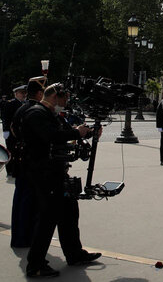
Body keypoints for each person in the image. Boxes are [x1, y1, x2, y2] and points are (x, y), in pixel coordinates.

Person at [21, 83, 101, 277]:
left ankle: (74, 253)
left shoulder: (51, 115)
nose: (65, 104)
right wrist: (76, 133)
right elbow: (51, 136)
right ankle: (36, 264)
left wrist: (89, 132)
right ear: (55, 96)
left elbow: (69, 130)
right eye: (64, 99)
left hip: (56, 171)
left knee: (69, 212)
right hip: (43, 173)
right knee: (48, 218)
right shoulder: (36, 113)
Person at [9, 77, 46, 248]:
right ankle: (25, 237)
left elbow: (14, 131)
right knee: (29, 202)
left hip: (21, 159)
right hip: (31, 161)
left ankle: (19, 236)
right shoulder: (35, 110)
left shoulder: (23, 108)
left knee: (21, 200)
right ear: (39, 93)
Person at [2, 84, 27, 177]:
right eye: (22, 93)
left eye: (25, 93)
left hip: (20, 132)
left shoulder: (25, 103)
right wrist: (5, 130)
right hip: (10, 131)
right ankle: (10, 170)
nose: (24, 95)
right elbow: (5, 117)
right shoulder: (10, 103)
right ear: (16, 93)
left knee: (18, 151)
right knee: (11, 151)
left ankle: (17, 168)